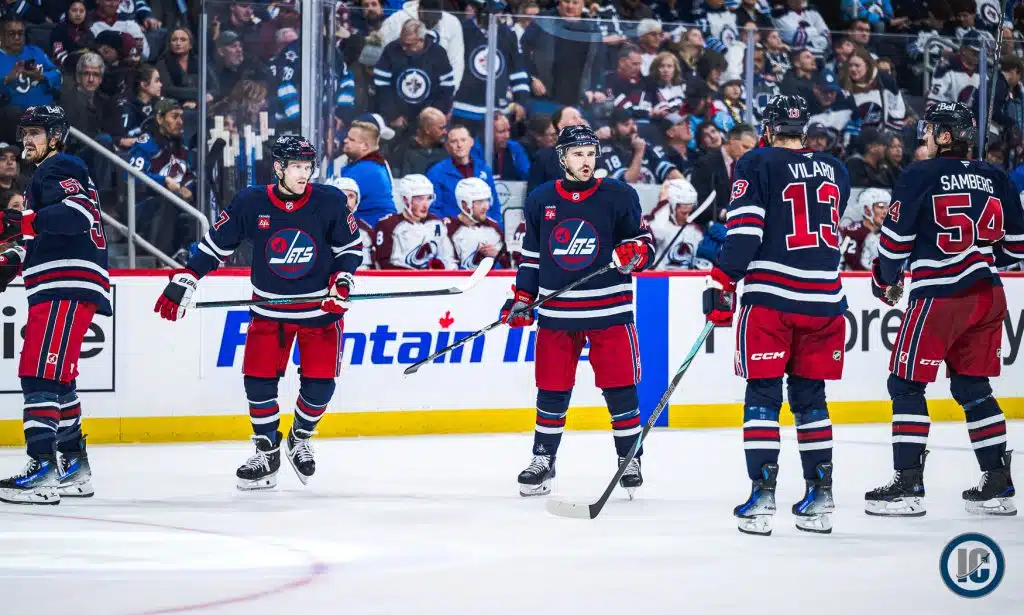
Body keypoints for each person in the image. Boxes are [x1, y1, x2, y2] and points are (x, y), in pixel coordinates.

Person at [154, 135, 364, 491]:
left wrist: (342, 281)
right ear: (278, 168)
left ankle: (300, 437)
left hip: (319, 310)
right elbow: (215, 246)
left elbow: (350, 249)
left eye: (308, 167)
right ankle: (266, 453)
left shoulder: (329, 200)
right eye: (296, 167)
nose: (303, 174)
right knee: (258, 380)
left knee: (321, 386)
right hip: (269, 309)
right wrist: (188, 277)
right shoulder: (251, 202)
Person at [702, 95, 852, 536]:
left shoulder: (756, 162)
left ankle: (762, 498)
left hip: (773, 299)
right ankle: (820, 497)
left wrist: (722, 279)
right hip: (825, 302)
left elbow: (746, 231)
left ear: (767, 128)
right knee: (812, 398)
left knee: (763, 395)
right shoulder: (836, 169)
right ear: (804, 129)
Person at [865, 102, 1023, 517]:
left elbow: (894, 242)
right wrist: (977, 255)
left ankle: (907, 485)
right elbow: (1017, 246)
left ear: (947, 135)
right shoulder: (996, 176)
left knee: (905, 384)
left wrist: (885, 278)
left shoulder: (920, 174)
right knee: (973, 388)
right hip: (988, 293)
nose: (925, 136)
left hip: (940, 294)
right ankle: (997, 482)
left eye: (931, 129)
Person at [504, 125, 655, 499]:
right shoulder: (541, 199)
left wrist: (636, 253)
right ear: (562, 158)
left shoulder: (619, 195)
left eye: (590, 154)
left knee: (620, 389)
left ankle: (629, 459)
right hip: (557, 314)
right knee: (552, 389)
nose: (586, 161)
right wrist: (522, 297)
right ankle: (543, 459)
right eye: (577, 154)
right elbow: (532, 258)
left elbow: (644, 245)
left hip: (610, 311)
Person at [0, 106, 110, 505]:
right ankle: (75, 468)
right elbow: (49, 231)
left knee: (38, 373)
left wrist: (22, 223)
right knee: (58, 378)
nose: (27, 139)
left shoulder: (59, 165)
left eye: (35, 132)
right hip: (64, 281)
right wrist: (14, 258)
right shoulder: (47, 175)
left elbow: (77, 215)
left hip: (65, 283)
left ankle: (42, 470)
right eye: (25, 132)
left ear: (56, 136)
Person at [372, 174, 456, 270]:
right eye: (419, 199)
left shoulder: (436, 223)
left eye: (429, 198)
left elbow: (449, 260)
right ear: (405, 199)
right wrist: (419, 275)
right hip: (402, 279)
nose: (425, 205)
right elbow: (385, 266)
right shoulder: (388, 226)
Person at [646, 178, 713, 270]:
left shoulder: (695, 230)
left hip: (688, 277)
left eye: (689, 212)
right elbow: (655, 230)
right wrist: (663, 203)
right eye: (683, 213)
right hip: (661, 277)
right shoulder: (658, 226)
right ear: (672, 208)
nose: (687, 217)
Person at [446, 177, 509, 270]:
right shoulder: (448, 229)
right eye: (480, 201)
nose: (486, 207)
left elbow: (511, 265)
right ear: (464, 204)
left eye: (487, 200)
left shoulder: (494, 227)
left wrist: (499, 256)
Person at [325, 176, 373, 269]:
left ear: (357, 201)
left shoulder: (365, 231)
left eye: (351, 196)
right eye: (341, 195)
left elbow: (365, 268)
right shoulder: (317, 226)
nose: (346, 200)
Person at [838, 187, 889, 271]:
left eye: (887, 207)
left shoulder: (889, 234)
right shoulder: (851, 233)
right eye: (881, 207)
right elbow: (852, 264)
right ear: (867, 209)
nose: (885, 211)